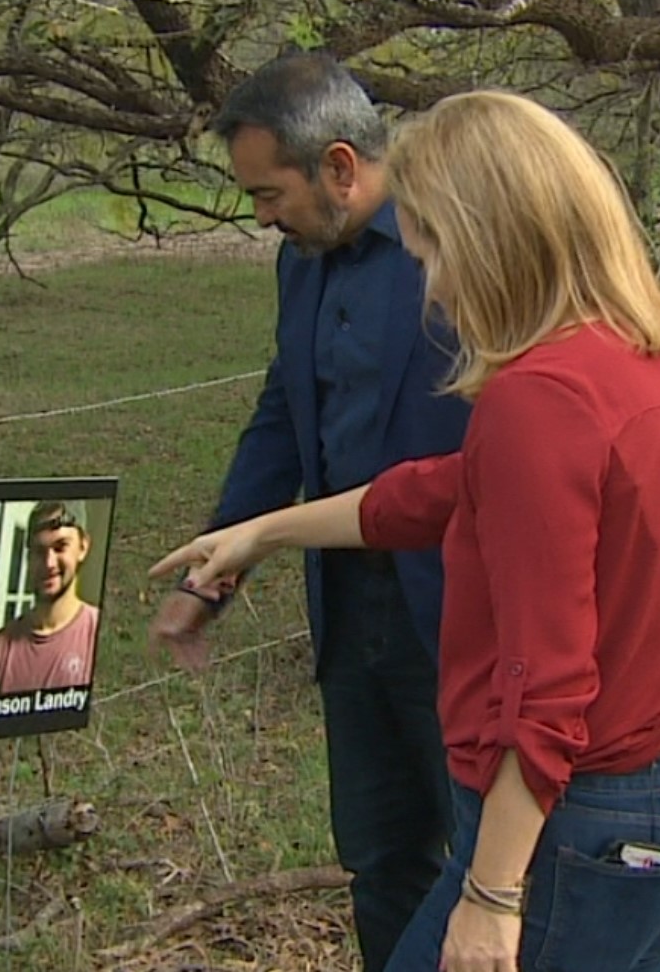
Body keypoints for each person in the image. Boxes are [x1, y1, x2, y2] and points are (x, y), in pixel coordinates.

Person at [151, 89, 660, 972]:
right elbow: (440, 491)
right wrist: (264, 532)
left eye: (430, 249)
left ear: (488, 238)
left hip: (573, 826)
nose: (430, 281)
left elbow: (544, 684)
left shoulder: (535, 400)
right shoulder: (650, 363)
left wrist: (491, 897)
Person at [146, 51, 474, 971]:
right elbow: (284, 415)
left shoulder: (461, 249)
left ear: (339, 166)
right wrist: (218, 572)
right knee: (380, 857)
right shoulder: (305, 263)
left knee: (492, 864)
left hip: (462, 613)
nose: (259, 217)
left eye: (268, 192)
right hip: (349, 609)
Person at [0, 501, 99, 693]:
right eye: (39, 551)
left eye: (60, 547)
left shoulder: (96, 633)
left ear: (83, 547)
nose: (49, 563)